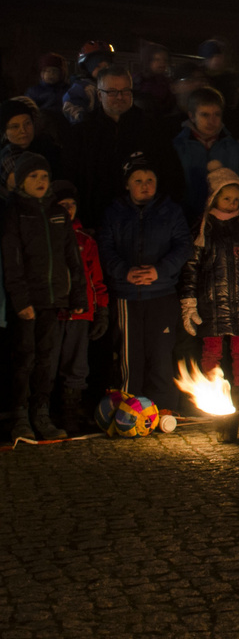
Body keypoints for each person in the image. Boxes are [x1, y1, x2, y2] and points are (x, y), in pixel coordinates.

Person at [97, 154, 190, 408]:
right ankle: (129, 408)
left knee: (160, 354)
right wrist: (124, 271)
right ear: (127, 184)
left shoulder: (170, 211)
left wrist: (159, 271)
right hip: (127, 296)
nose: (145, 185)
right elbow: (104, 248)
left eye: (150, 179)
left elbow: (183, 246)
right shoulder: (115, 213)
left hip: (161, 294)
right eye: (138, 180)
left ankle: (162, 409)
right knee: (130, 355)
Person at [2, 153, 83, 439]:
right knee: (24, 358)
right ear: (22, 180)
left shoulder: (57, 212)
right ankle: (19, 415)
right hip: (27, 301)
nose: (39, 181)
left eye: (44, 176)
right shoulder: (14, 212)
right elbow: (12, 260)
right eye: (33, 176)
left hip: (53, 299)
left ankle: (41, 413)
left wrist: (77, 296)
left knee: (47, 358)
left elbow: (72, 258)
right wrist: (21, 300)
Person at [180, 164, 239, 413]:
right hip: (211, 304)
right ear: (214, 198)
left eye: (236, 198)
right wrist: (189, 302)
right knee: (211, 351)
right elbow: (191, 267)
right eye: (226, 198)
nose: (232, 203)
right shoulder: (203, 229)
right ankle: (211, 399)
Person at [63, 63, 174, 229]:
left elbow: (169, 172)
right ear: (100, 95)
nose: (120, 97)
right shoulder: (83, 132)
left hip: (142, 223)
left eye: (125, 91)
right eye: (112, 92)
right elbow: (73, 177)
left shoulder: (151, 128)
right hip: (95, 221)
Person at [50, 181, 109, 432]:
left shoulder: (86, 240)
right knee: (48, 363)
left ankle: (70, 415)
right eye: (62, 205)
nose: (68, 209)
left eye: (72, 204)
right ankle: (45, 412)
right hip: (52, 314)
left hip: (81, 314)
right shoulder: (46, 237)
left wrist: (101, 311)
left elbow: (96, 280)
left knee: (76, 365)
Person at [173, 87, 239, 221]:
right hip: (187, 219)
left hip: (226, 221)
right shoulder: (178, 147)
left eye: (217, 114)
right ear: (192, 116)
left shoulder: (234, 148)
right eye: (205, 115)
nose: (212, 121)